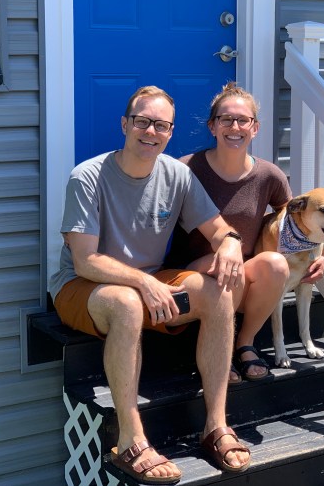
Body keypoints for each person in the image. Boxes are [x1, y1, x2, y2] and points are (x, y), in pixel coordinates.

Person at [48, 86, 251, 485]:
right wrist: (143, 282)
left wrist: (230, 242)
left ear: (170, 133)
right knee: (126, 301)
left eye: (161, 125)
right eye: (142, 121)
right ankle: (130, 440)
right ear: (125, 124)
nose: (151, 131)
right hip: (83, 286)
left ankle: (215, 426)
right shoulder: (88, 176)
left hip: (145, 284)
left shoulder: (177, 175)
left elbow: (218, 229)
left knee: (217, 292)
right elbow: (85, 260)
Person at [165, 83, 324, 383]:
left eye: (243, 120)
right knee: (226, 262)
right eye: (226, 119)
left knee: (274, 264)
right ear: (212, 126)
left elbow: (297, 220)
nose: (235, 127)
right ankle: (221, 349)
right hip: (191, 275)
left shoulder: (268, 175)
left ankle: (245, 342)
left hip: (241, 275)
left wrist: (322, 253)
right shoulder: (186, 169)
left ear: (255, 128)